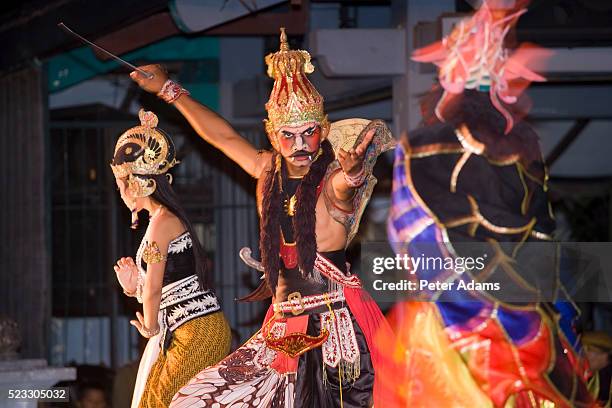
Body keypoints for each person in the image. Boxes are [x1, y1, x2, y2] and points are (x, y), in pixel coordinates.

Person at [129, 28, 395, 407]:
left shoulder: (332, 176)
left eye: (309, 133)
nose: (300, 144)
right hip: (281, 325)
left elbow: (344, 191)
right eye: (288, 135)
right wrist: (169, 89)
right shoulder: (266, 170)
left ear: (323, 131)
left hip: (332, 327)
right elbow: (221, 137)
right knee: (197, 398)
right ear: (272, 134)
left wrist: (353, 176)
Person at [383, 1, 596, 406]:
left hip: (467, 316)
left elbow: (406, 232)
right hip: (490, 312)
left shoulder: (427, 146)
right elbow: (539, 232)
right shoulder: (516, 151)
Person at [111, 109, 231, 407]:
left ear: (135, 183)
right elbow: (160, 285)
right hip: (183, 330)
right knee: (154, 400)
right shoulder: (160, 221)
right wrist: (131, 287)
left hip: (197, 330)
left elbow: (153, 290)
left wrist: (150, 326)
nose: (121, 194)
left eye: (121, 185)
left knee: (162, 401)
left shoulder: (162, 222)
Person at [583, 331, 612, 406]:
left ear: (604, 356)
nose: (585, 354)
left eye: (589, 350)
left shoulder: (606, 380)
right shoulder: (582, 371)